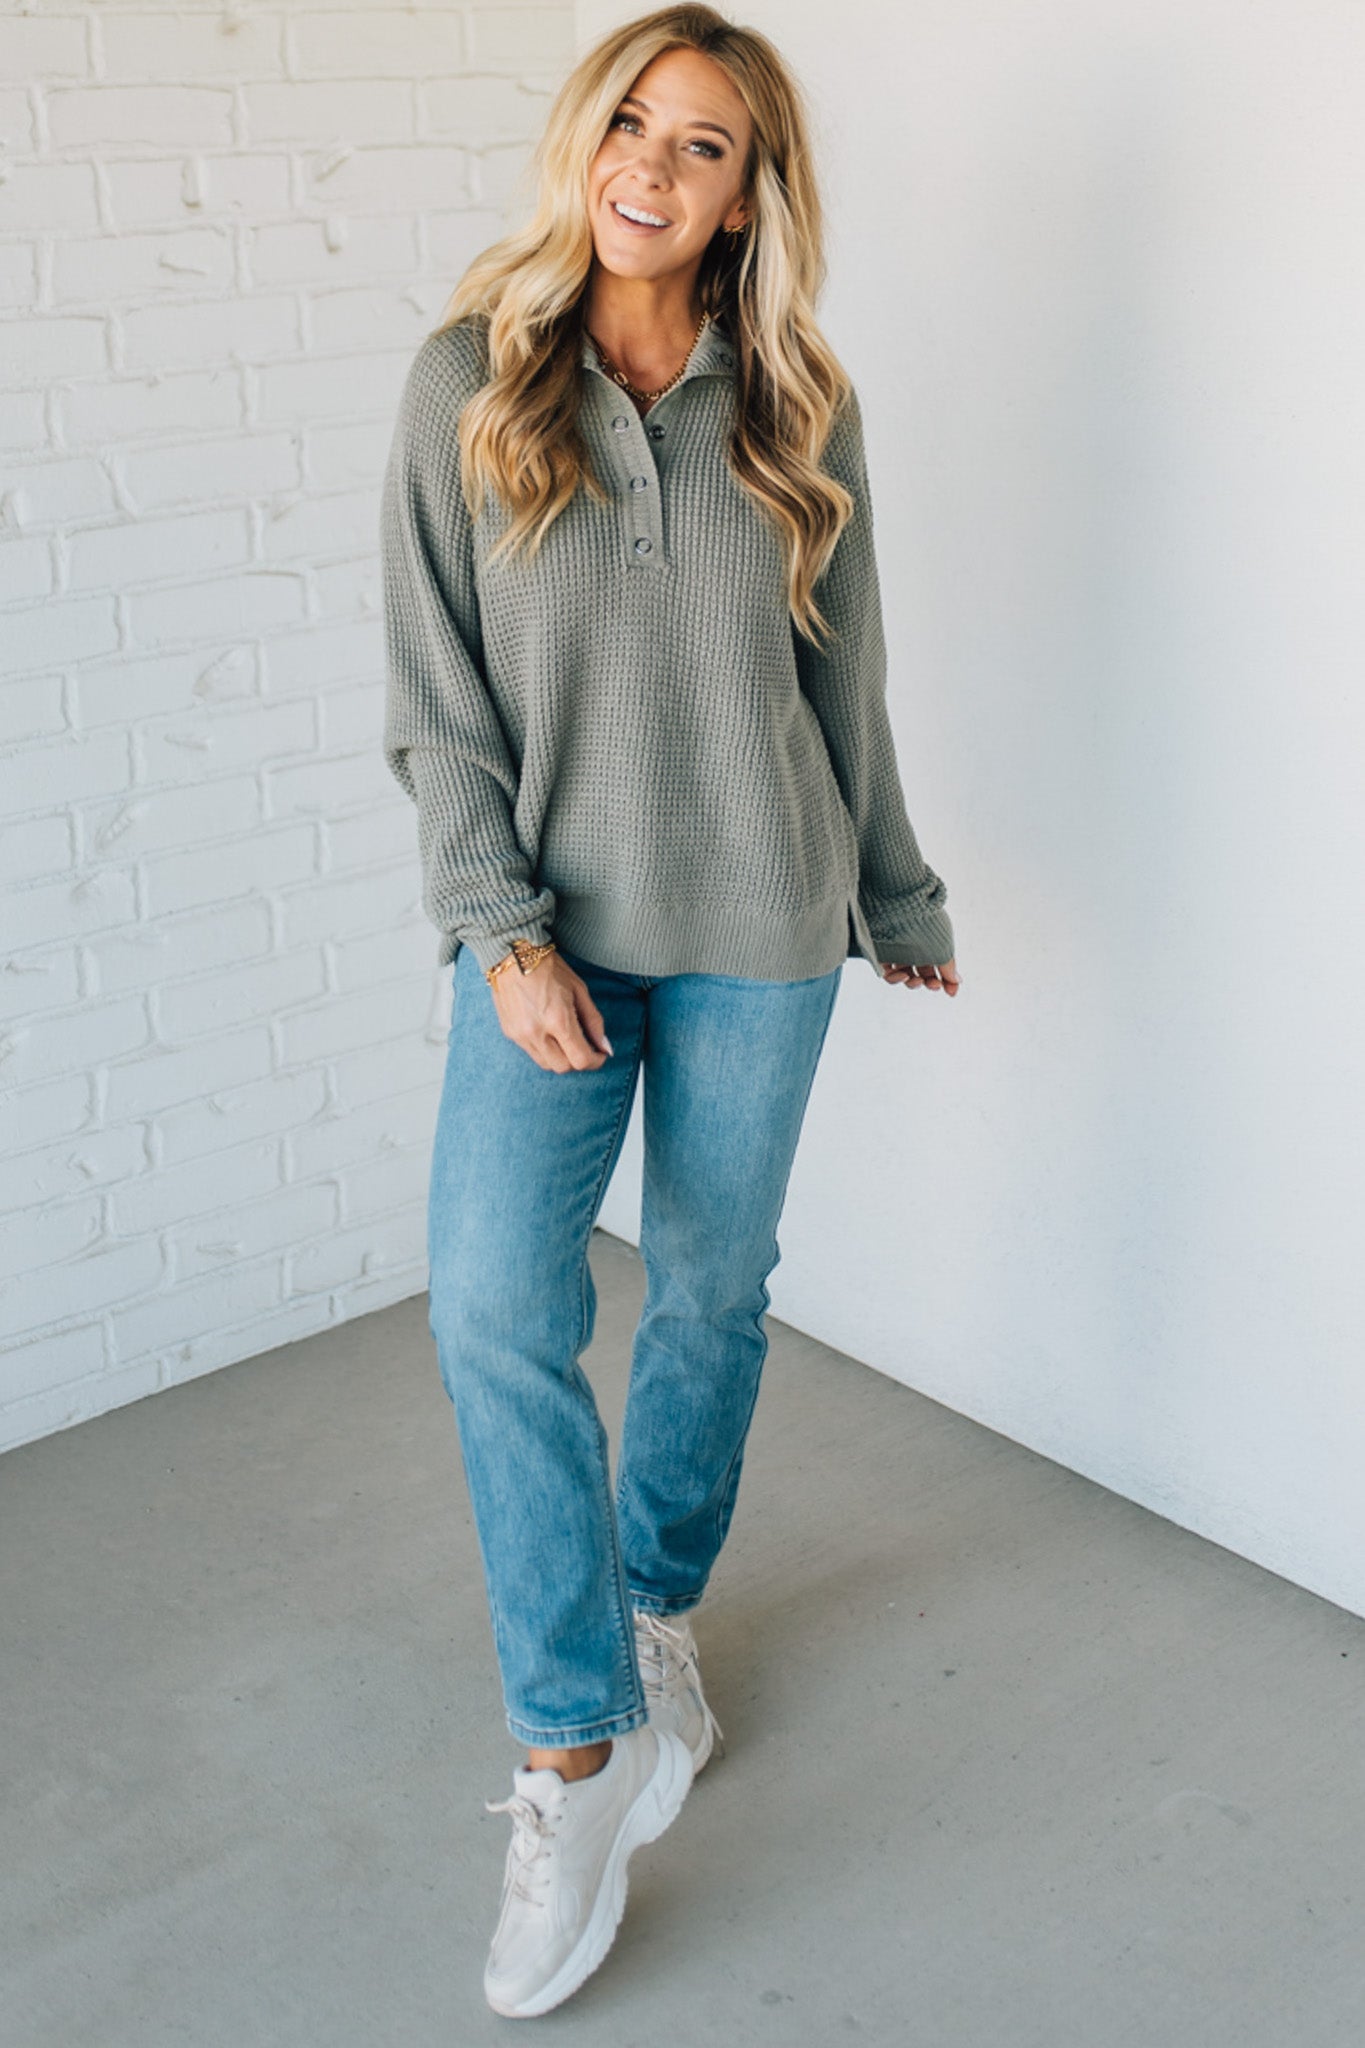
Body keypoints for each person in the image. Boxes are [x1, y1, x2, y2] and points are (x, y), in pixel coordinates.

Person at [380, 2, 961, 2019]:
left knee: (710, 1287)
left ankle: (650, 1620)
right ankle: (572, 1741)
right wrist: (496, 931)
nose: (655, 161)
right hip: (549, 931)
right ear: (582, 139)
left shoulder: (797, 398)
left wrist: (893, 889)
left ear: (745, 192)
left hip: (761, 921)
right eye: (632, 119)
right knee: (487, 1301)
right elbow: (436, 706)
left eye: (704, 143)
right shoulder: (467, 381)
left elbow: (846, 680)